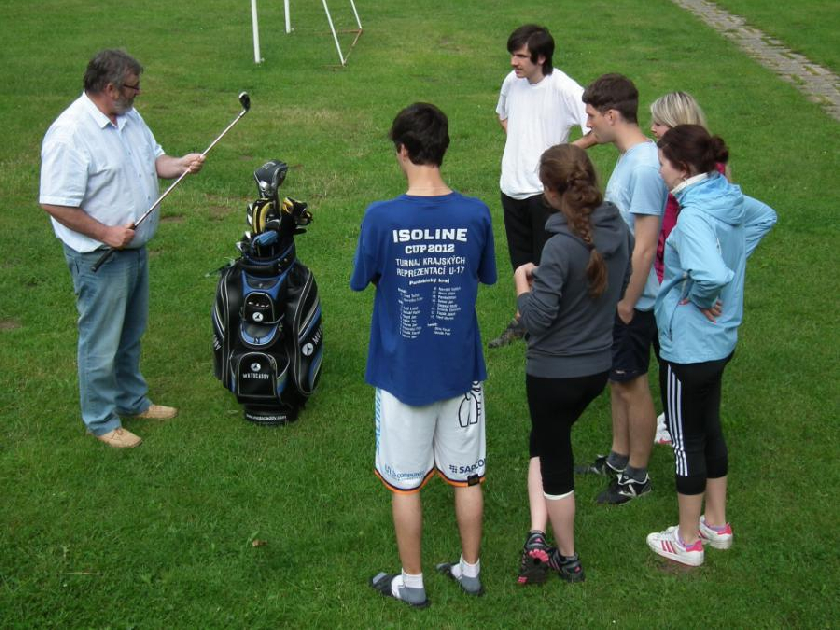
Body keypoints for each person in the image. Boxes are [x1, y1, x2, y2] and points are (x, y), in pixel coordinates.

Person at [351, 103, 497, 607]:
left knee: (405, 484)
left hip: (402, 372)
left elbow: (362, 278)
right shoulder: (476, 212)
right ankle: (469, 569)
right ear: (444, 148)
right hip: (461, 370)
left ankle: (411, 583)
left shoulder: (381, 216)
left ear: (403, 151)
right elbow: (482, 273)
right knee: (467, 474)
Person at [39, 49, 205, 449]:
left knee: (131, 332)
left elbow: (154, 160)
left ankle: (132, 401)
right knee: (100, 340)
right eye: (133, 86)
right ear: (110, 88)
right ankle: (100, 420)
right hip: (101, 255)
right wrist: (105, 233)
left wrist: (179, 163)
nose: (139, 93)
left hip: (134, 248)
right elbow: (55, 202)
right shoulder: (70, 134)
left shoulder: (129, 118)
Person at [647, 125, 776, 566]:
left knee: (686, 441)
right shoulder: (727, 196)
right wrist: (732, 256)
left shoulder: (694, 217)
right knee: (711, 429)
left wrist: (702, 294)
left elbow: (711, 278)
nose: (658, 169)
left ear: (682, 168)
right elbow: (764, 217)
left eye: (662, 162)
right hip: (721, 345)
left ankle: (687, 542)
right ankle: (716, 524)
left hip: (688, 348)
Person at [514, 145, 631, 585]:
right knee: (543, 440)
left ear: (549, 191)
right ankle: (536, 532)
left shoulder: (561, 246)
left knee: (555, 461)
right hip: (596, 369)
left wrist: (523, 283)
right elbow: (605, 280)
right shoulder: (616, 226)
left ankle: (568, 558)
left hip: (553, 374)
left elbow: (536, 320)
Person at [576, 74, 668, 504]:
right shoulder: (631, 156)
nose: (588, 126)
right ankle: (617, 456)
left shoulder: (646, 167)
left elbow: (646, 243)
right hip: (617, 294)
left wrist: (628, 301)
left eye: (593, 117)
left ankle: (638, 475)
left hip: (636, 298)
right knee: (617, 378)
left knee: (633, 382)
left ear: (612, 115)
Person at [489, 24, 595, 349]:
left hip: (545, 194)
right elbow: (502, 115)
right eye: (513, 55)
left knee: (546, 263)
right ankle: (524, 322)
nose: (513, 62)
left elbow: (594, 126)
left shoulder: (562, 88)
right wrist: (520, 143)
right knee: (520, 263)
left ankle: (552, 326)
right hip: (511, 187)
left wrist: (564, 153)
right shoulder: (513, 82)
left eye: (520, 56)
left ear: (541, 57)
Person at [649, 91, 729, 446]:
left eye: (659, 123)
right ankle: (683, 415)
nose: (652, 128)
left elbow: (706, 243)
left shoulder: (698, 178)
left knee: (677, 350)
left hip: (681, 278)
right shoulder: (691, 164)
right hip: (672, 270)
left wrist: (698, 291)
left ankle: (679, 425)